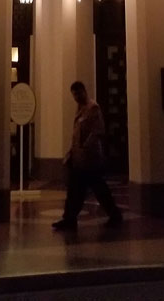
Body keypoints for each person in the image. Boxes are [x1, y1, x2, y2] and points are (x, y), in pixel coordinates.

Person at [52, 80, 123, 230]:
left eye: (78, 93)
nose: (76, 97)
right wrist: (71, 152)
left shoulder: (93, 108)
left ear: (84, 91)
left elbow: (97, 131)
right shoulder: (80, 110)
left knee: (94, 189)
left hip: (90, 159)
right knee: (80, 190)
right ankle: (70, 218)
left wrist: (85, 147)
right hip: (80, 159)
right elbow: (77, 134)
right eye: (74, 95)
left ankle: (112, 214)